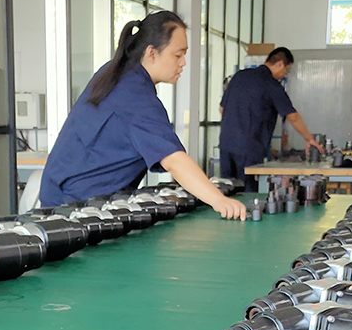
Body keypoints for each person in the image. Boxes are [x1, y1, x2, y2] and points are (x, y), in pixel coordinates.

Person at [40, 11, 245, 220]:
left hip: (65, 193)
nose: (183, 62)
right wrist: (218, 200)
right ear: (151, 53)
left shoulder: (117, 73)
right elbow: (173, 160)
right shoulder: (134, 94)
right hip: (73, 206)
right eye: (178, 54)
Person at [218, 48, 316, 191]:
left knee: (226, 190)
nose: (284, 75)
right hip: (249, 149)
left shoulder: (239, 76)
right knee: (247, 193)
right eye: (286, 70)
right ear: (281, 64)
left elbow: (222, 109)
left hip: (226, 144)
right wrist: (309, 139)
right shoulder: (271, 85)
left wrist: (235, 127)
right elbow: (292, 116)